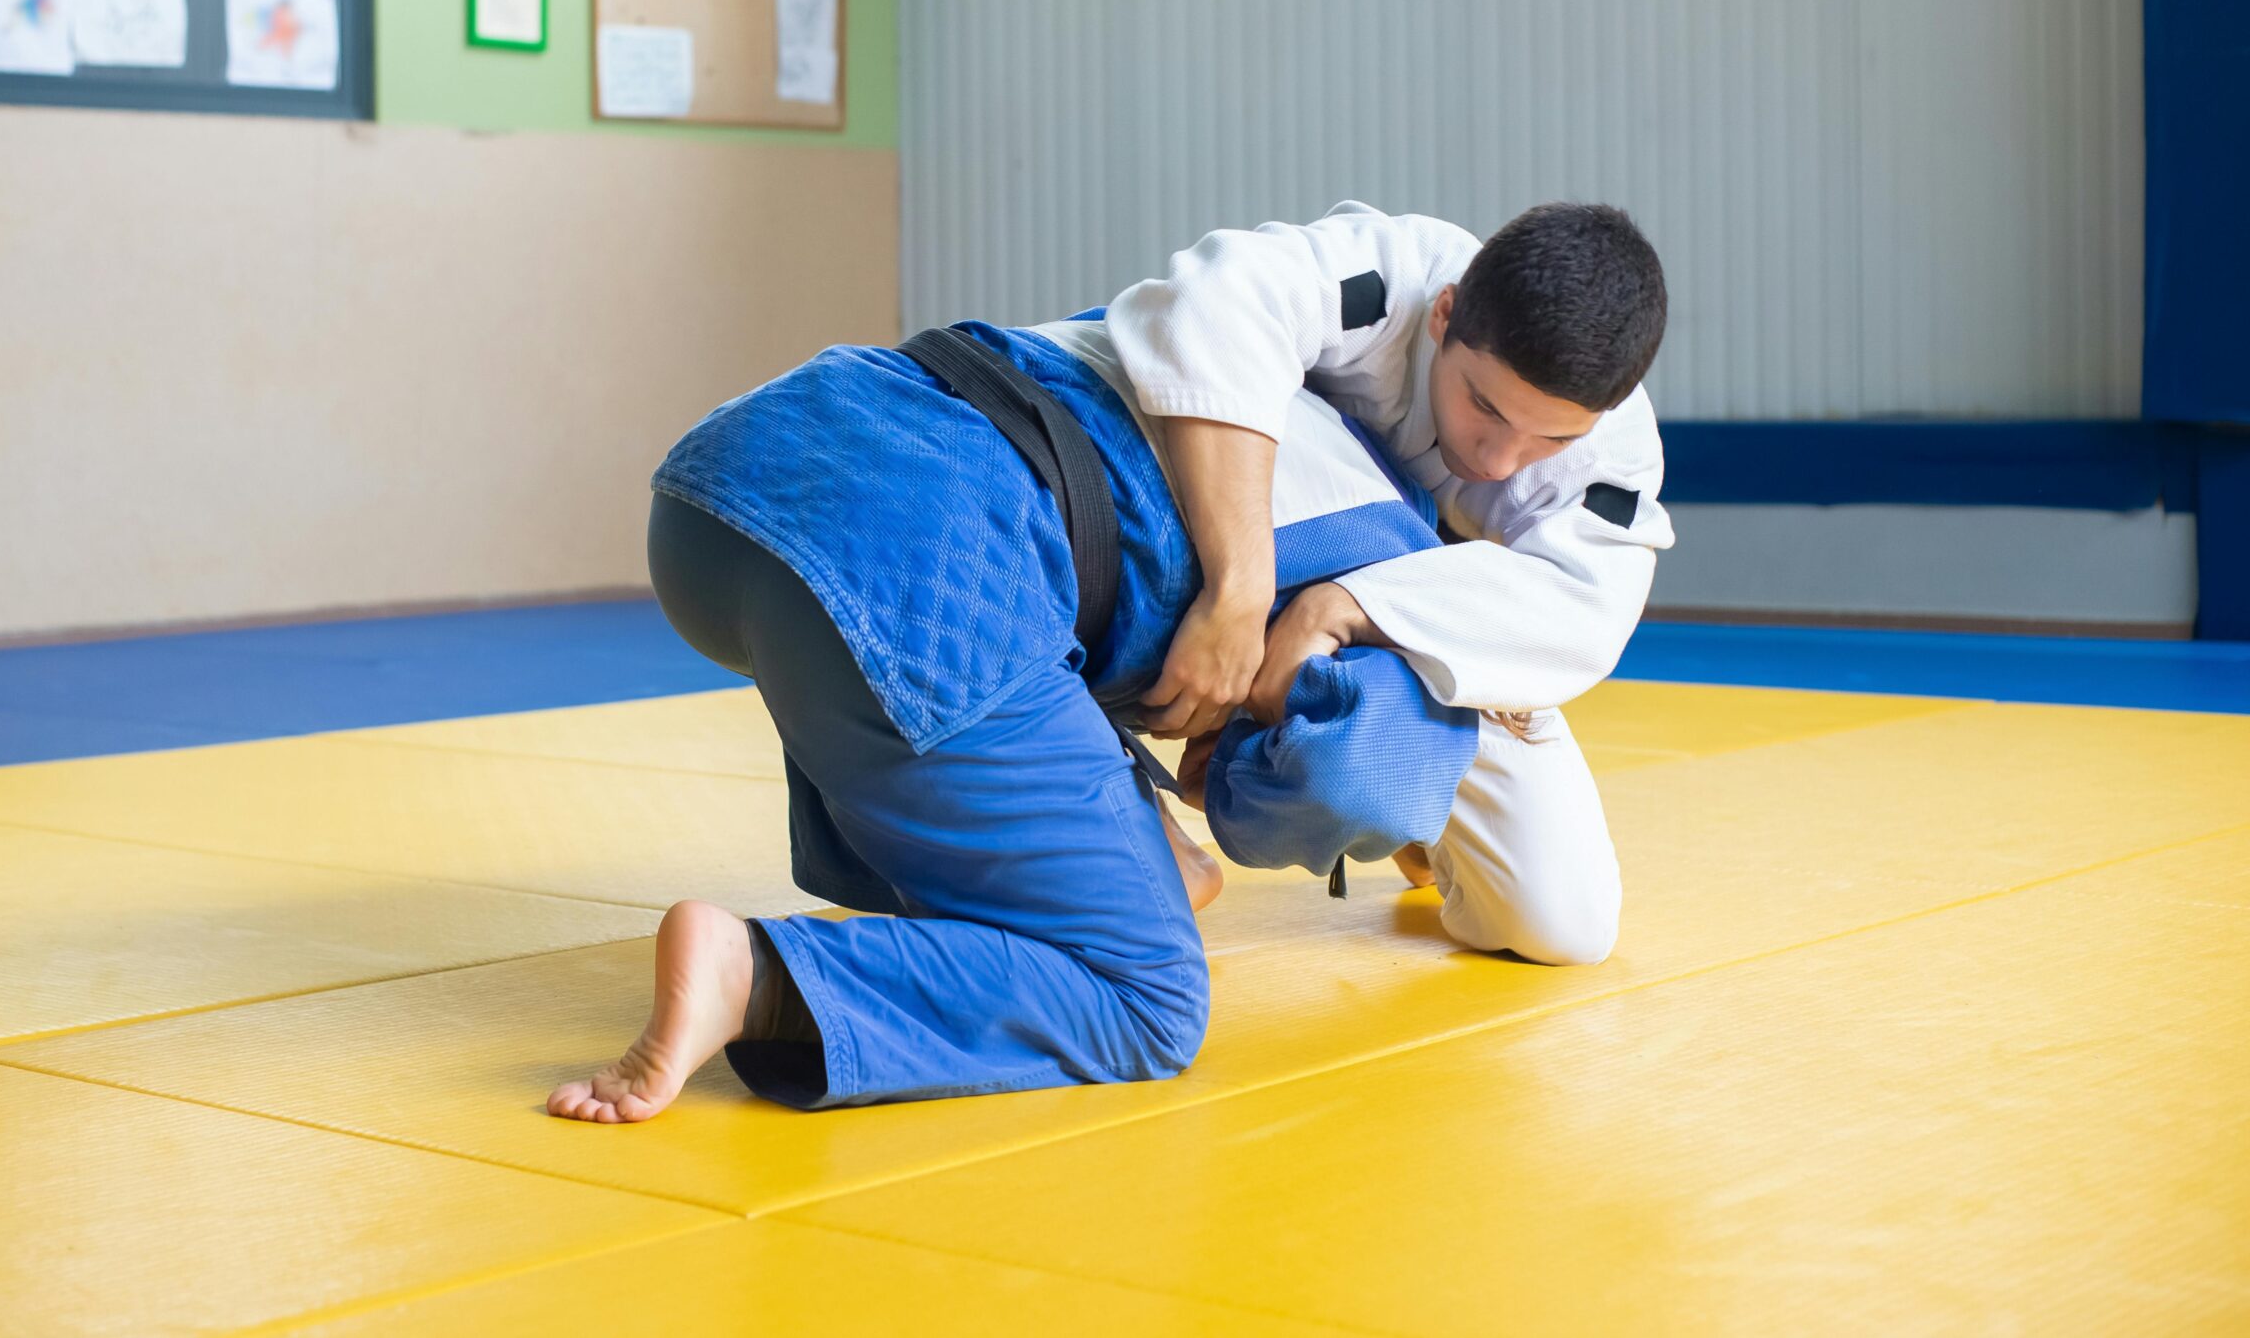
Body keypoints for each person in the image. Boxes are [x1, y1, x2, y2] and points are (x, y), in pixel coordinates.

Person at [547, 202, 1669, 1123]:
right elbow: (1227, 308)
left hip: (736, 487)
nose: (1497, 454)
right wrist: (1244, 602)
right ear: (1445, 319)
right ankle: (762, 979)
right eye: (1482, 406)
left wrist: (1320, 622)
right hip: (921, 560)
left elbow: (1575, 612)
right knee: (1147, 992)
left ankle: (1144, 834)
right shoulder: (1332, 339)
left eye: (1545, 440)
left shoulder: (1476, 522)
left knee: (1195, 866)